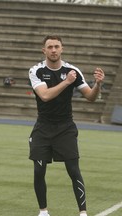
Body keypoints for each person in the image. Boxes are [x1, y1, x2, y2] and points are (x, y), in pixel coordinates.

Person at [28, 35, 105, 216]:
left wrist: (98, 85)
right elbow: (45, 96)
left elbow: (91, 97)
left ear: (62, 49)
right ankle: (43, 211)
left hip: (65, 127)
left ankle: (83, 213)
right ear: (44, 50)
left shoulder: (73, 70)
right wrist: (67, 82)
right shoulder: (36, 71)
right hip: (43, 127)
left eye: (56, 46)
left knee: (73, 170)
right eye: (50, 47)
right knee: (39, 170)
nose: (53, 50)